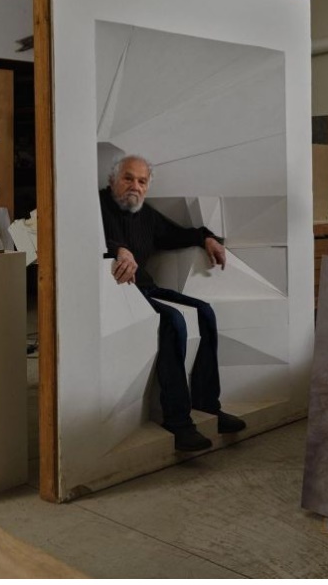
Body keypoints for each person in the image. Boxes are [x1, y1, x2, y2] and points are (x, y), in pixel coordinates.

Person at [99, 153, 247, 452]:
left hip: (144, 288)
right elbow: (84, 238)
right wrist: (119, 250)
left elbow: (178, 234)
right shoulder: (96, 206)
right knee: (173, 321)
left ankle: (208, 405)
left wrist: (206, 238)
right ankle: (178, 422)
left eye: (142, 181)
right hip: (116, 294)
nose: (135, 186)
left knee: (204, 311)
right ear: (112, 180)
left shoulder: (146, 215)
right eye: (128, 178)